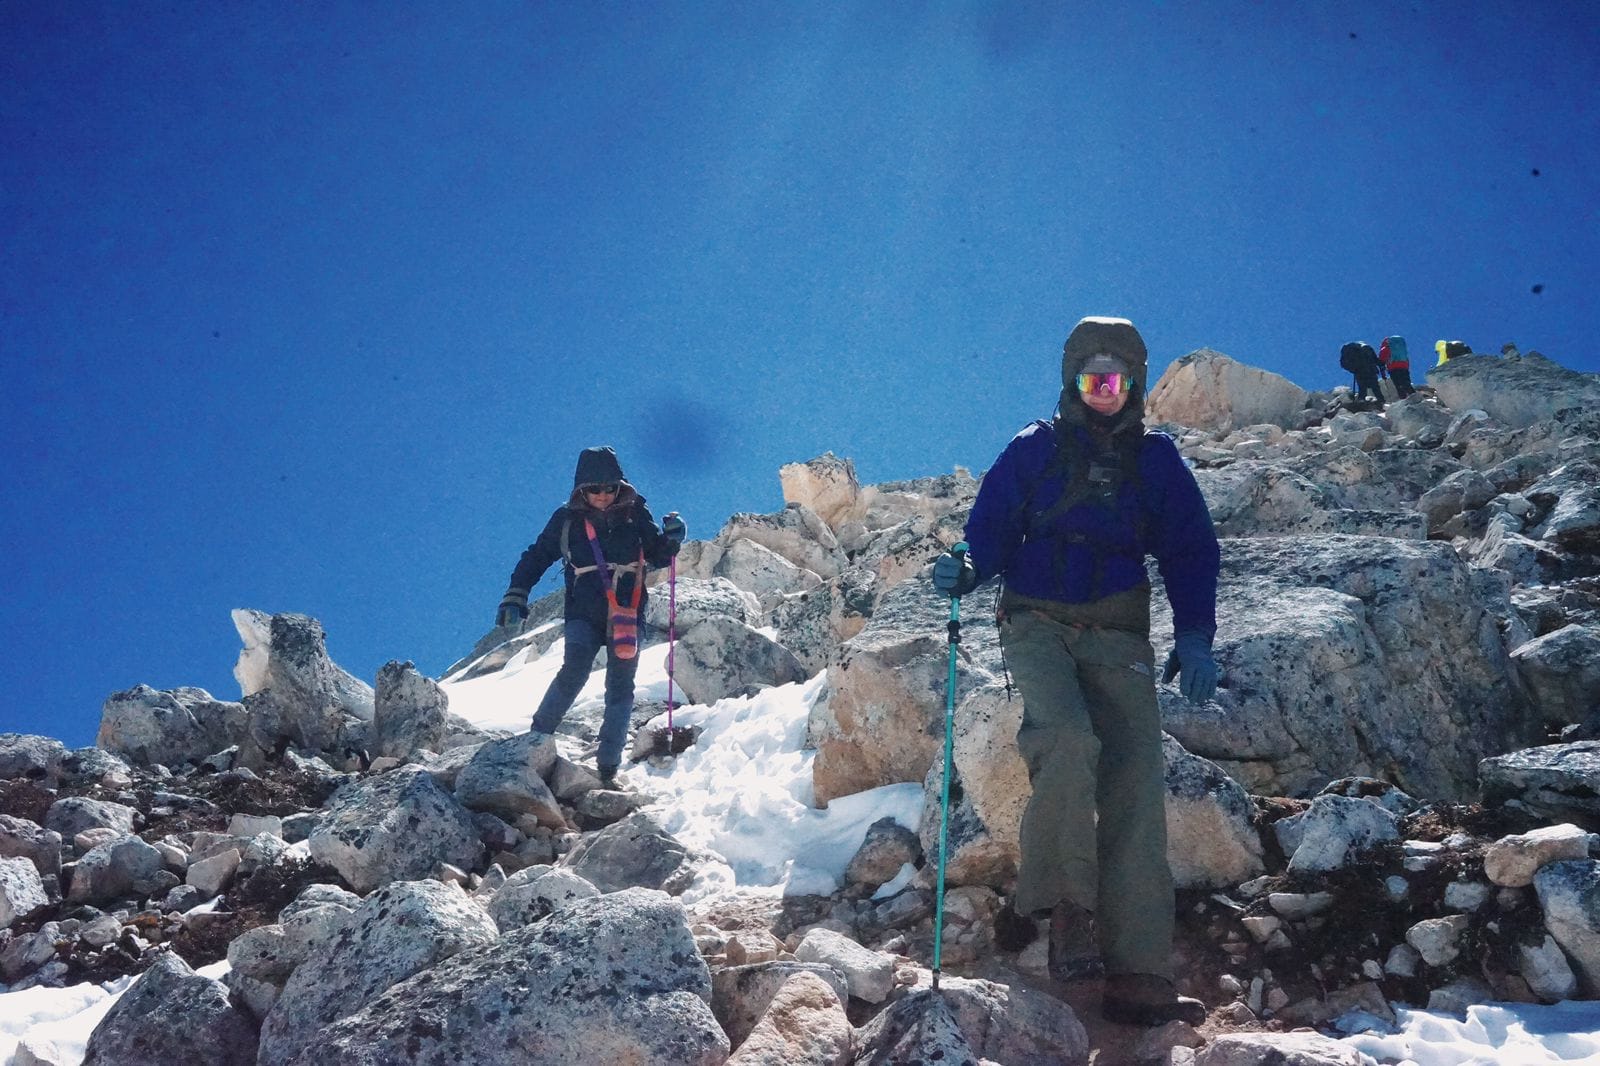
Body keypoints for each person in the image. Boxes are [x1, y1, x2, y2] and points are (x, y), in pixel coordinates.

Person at [932, 316, 1219, 1028]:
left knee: (1134, 782)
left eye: (1117, 380)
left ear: (1136, 385)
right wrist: (968, 566)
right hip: (1036, 622)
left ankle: (1142, 972)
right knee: (1063, 740)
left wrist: (1196, 633)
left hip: (1119, 632)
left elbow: (1190, 548)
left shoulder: (1157, 461)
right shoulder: (1035, 448)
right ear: (1071, 380)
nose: (1104, 392)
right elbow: (990, 531)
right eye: (1091, 379)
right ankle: (1069, 910)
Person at [495, 446, 685, 785]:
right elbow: (537, 556)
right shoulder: (566, 519)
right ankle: (536, 740)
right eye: (595, 489)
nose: (603, 495)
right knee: (574, 670)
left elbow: (657, 554)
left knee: (621, 686)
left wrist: (672, 540)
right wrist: (516, 594)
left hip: (627, 608)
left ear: (620, 486)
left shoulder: (636, 513)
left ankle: (608, 768)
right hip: (583, 609)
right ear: (582, 490)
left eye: (610, 487)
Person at [1340, 340, 1384, 407]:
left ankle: (1361, 401)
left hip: (1359, 371)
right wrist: (1382, 364)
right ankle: (1381, 401)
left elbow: (1344, 363)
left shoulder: (1351, 351)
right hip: (1371, 370)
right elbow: (1375, 360)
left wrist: (1353, 369)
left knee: (1362, 387)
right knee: (1375, 387)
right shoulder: (1367, 348)